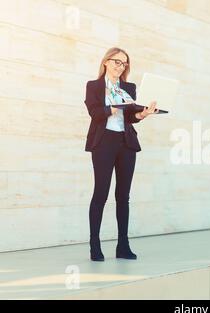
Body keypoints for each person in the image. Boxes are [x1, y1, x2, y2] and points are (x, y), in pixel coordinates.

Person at [84, 47, 157, 261]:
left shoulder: (128, 87)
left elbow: (132, 117)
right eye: (117, 61)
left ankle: (123, 246)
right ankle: (95, 246)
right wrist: (115, 106)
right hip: (103, 141)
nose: (120, 66)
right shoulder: (94, 86)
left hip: (125, 143)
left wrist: (143, 113)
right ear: (106, 61)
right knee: (101, 194)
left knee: (123, 196)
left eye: (124, 64)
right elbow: (95, 113)